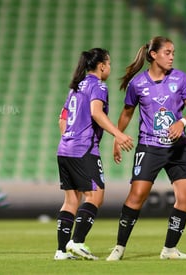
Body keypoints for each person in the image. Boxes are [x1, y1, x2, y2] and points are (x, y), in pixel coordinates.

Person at [106, 36, 186, 261]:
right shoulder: (137, 84)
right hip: (150, 146)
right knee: (137, 196)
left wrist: (182, 122)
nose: (171, 57)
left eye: (173, 53)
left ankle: (169, 249)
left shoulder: (181, 78)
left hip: (178, 148)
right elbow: (127, 113)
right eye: (167, 52)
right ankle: (119, 247)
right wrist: (116, 139)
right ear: (153, 55)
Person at [54, 49, 134, 260]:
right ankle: (77, 242)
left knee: (71, 200)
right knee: (95, 195)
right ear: (101, 66)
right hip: (83, 149)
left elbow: (62, 119)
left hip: (65, 149)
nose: (110, 67)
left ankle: (61, 251)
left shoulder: (75, 87)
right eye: (109, 63)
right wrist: (119, 134)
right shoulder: (98, 85)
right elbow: (95, 112)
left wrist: (69, 139)